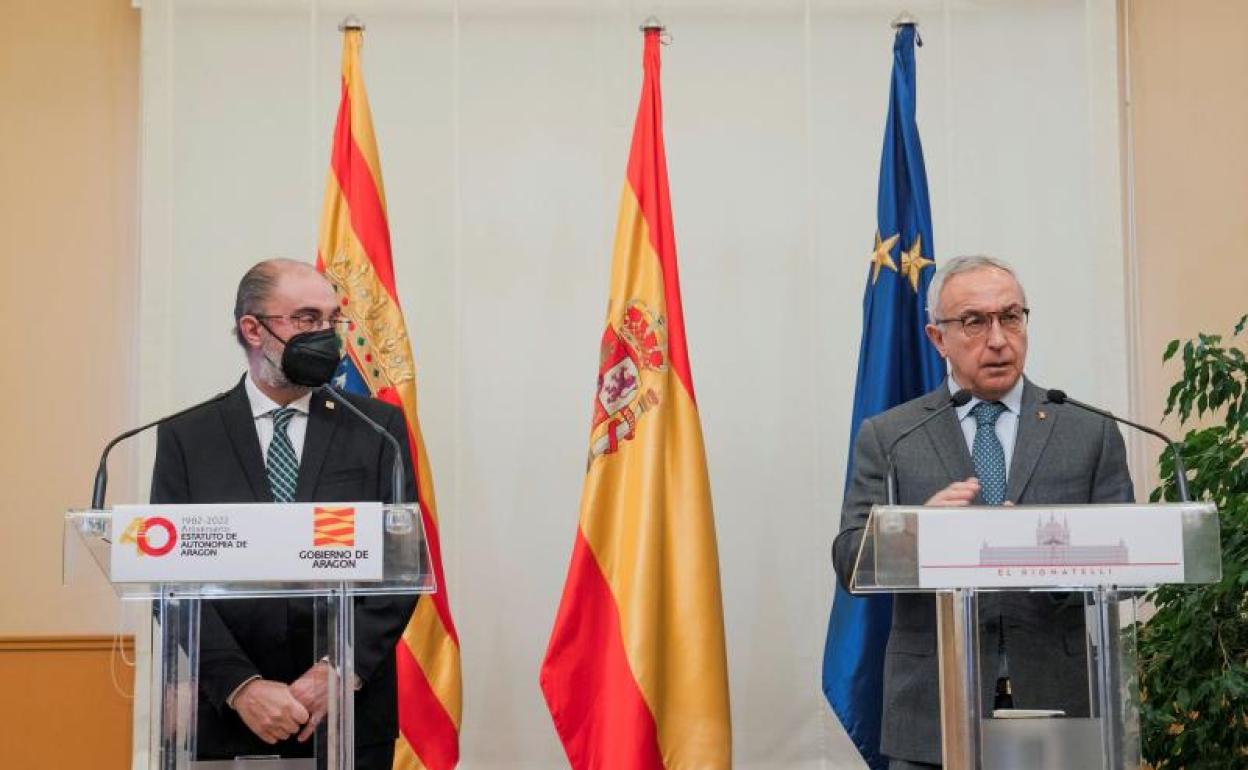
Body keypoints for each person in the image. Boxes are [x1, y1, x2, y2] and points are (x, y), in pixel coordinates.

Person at [831, 255, 1134, 769]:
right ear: (937, 338)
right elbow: (849, 559)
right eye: (975, 321)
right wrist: (913, 530)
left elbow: (1128, 560)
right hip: (931, 706)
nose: (997, 338)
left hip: (1058, 699)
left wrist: (1047, 553)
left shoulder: (1087, 430)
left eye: (1010, 317)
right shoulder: (891, 436)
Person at [151, 258, 417, 769]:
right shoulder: (188, 436)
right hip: (224, 716)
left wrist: (336, 673)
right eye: (306, 319)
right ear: (253, 328)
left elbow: (401, 570)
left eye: (331, 320)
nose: (326, 335)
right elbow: (169, 580)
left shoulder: (376, 429)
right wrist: (241, 686)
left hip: (348, 717)